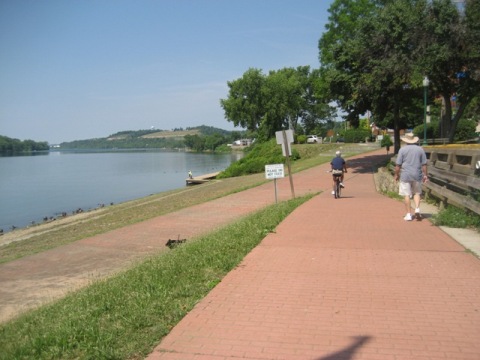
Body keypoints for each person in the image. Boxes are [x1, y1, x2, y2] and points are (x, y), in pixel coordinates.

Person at [394, 132, 428, 221]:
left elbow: (398, 165)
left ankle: (409, 214)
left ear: (406, 141)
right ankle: (417, 208)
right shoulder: (420, 149)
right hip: (417, 174)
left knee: (407, 194)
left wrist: (396, 174)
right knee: (417, 193)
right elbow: (424, 164)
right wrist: (425, 175)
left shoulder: (402, 150)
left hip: (406, 175)